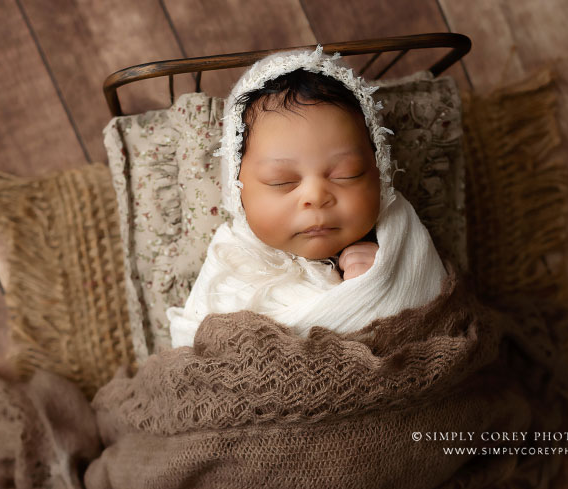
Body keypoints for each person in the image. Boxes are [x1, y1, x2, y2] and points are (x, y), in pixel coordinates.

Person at [166, 45, 448, 349]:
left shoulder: (399, 241)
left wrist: (381, 288)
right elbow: (192, 349)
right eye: (282, 181)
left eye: (347, 174)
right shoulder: (230, 263)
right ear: (237, 190)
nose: (316, 196)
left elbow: (438, 324)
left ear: (378, 171)